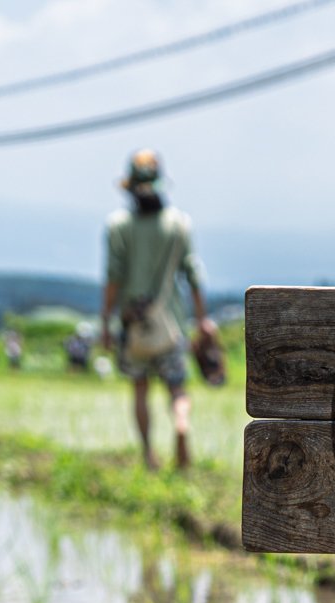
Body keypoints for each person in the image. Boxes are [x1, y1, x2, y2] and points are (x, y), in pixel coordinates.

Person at [101, 149, 217, 470]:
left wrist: (105, 323)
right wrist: (203, 320)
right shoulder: (179, 224)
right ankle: (181, 425)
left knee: (140, 388)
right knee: (177, 387)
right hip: (171, 323)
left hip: (134, 324)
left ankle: (149, 455)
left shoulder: (118, 227)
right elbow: (192, 274)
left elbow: (113, 278)